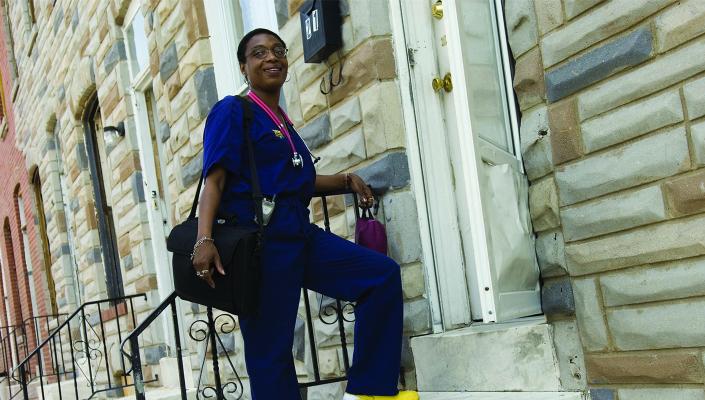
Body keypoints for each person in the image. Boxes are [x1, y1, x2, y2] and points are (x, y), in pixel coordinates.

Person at [190, 28, 419, 400]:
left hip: (298, 233)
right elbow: (213, 182)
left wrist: (346, 180)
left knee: (379, 277)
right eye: (258, 53)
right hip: (260, 243)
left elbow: (295, 182)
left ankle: (368, 392)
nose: (271, 58)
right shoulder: (234, 110)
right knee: (271, 350)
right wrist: (205, 239)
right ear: (244, 67)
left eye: (278, 50)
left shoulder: (283, 122)